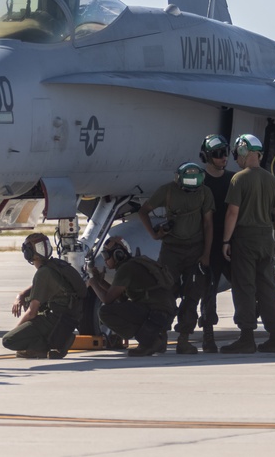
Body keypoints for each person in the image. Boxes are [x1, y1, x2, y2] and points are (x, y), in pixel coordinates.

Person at [137, 162, 214, 354]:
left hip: (195, 251)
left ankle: (184, 338)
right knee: (165, 293)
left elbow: (208, 224)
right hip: (171, 250)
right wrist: (155, 235)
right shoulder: (167, 191)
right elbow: (143, 211)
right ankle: (161, 336)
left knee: (192, 295)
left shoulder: (204, 193)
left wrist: (206, 254)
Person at [221, 133, 275, 354]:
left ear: (243, 151)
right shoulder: (271, 179)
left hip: (245, 240)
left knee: (244, 288)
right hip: (265, 240)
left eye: (237, 153)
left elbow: (232, 213)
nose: (236, 159)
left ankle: (246, 338)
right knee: (268, 287)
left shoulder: (239, 179)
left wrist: (226, 240)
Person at [86, 237, 177, 357]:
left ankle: (149, 342)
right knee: (123, 307)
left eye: (106, 255)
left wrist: (92, 283)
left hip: (156, 312)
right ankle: (156, 337)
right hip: (163, 312)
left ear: (118, 254)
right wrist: (101, 283)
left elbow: (107, 299)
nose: (105, 260)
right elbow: (122, 297)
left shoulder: (126, 269)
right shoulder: (134, 264)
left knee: (105, 312)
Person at [2, 233, 86, 359]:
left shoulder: (43, 273)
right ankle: (58, 337)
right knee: (28, 300)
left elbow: (32, 312)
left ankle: (42, 346)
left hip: (54, 317)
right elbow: (40, 287)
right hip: (67, 316)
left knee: (8, 340)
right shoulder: (56, 265)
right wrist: (21, 295)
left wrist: (16, 329)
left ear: (29, 253)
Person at [198, 134, 236, 353]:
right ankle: (208, 335)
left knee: (242, 288)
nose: (223, 158)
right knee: (207, 291)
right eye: (218, 154)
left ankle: (247, 333)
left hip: (231, 243)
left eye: (225, 153)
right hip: (208, 245)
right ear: (206, 156)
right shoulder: (198, 181)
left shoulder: (234, 179)